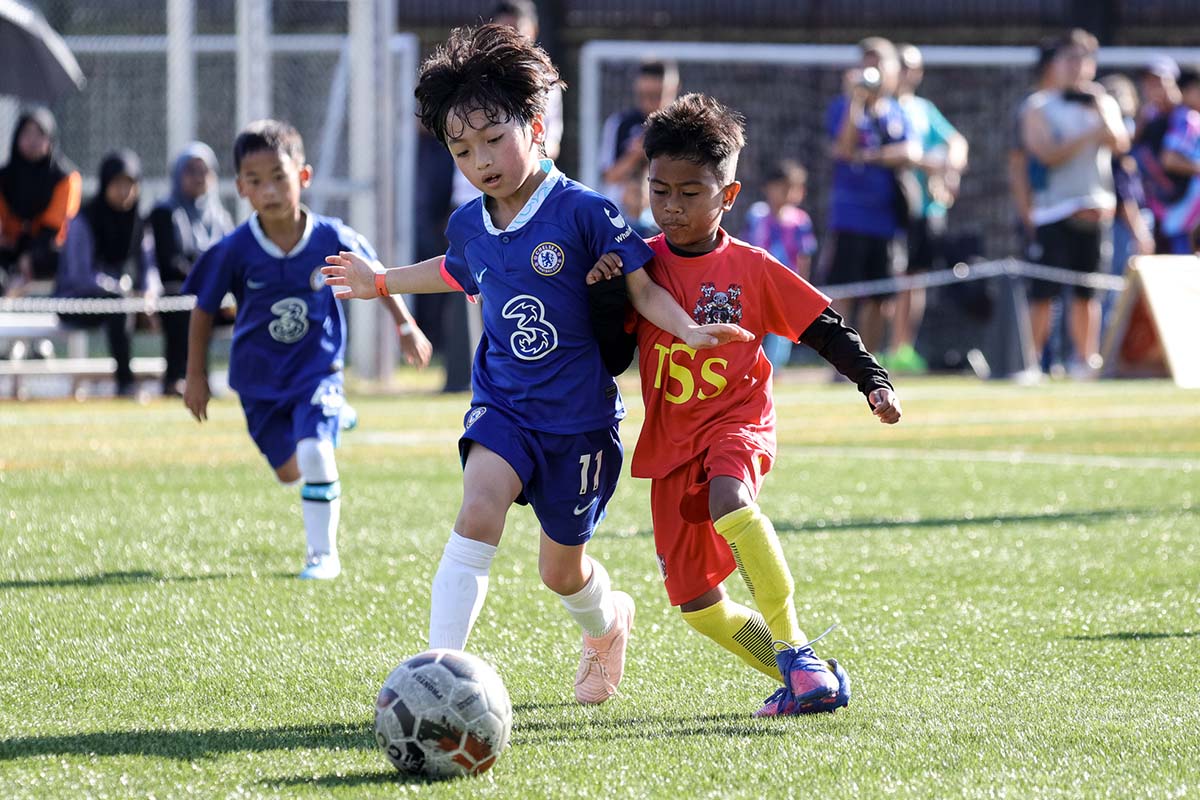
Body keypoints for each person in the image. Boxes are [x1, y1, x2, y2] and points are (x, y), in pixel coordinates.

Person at [321, 25, 749, 703]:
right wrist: (382, 282)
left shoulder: (584, 211)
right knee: (478, 509)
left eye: (493, 140)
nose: (480, 160)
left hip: (577, 425)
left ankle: (608, 625)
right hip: (503, 407)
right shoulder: (470, 222)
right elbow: (456, 270)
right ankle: (436, 673)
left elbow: (641, 287)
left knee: (560, 571)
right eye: (462, 150)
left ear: (537, 127)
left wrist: (689, 329)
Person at [586, 93, 901, 716]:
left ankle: (797, 654)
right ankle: (804, 671)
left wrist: (873, 381)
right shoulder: (640, 269)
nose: (672, 207)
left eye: (691, 192)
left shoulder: (751, 269)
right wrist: (602, 296)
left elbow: (822, 325)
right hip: (671, 447)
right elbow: (612, 359)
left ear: (727, 196)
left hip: (737, 423)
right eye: (660, 191)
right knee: (699, 608)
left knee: (732, 497)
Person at [183, 119, 432, 580]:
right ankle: (335, 418)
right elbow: (202, 309)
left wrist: (406, 325)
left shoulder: (331, 238)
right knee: (289, 470)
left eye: (279, 177)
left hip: (317, 371)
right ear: (240, 188)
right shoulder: (235, 250)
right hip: (258, 382)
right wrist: (195, 375)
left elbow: (376, 276)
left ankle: (322, 556)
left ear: (303, 176)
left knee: (316, 453)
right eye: (256, 181)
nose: (269, 190)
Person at [1020, 29, 1129, 379]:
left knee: (1089, 292)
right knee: (1044, 293)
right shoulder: (1038, 105)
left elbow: (1119, 143)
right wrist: (1088, 133)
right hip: (1054, 210)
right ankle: (1032, 362)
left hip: (1096, 209)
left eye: (1083, 59)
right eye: (1069, 59)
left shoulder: (1102, 102)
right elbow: (1046, 152)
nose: (1076, 66)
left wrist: (1100, 109)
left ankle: (1086, 361)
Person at [819, 37, 920, 354]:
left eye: (879, 64)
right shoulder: (843, 107)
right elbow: (845, 149)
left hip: (886, 219)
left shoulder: (897, 111)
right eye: (866, 63)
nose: (871, 70)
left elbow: (911, 151)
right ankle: (840, 360)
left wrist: (871, 156)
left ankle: (869, 359)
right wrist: (855, 100)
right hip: (850, 217)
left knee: (882, 297)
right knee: (844, 291)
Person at [887, 43, 969, 374]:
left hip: (926, 211)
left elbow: (957, 142)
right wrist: (930, 162)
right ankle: (882, 346)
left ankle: (903, 347)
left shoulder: (923, 108)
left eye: (914, 66)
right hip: (894, 207)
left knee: (914, 279)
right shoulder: (884, 108)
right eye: (903, 65)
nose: (909, 72)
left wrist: (948, 170)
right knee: (891, 279)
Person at [54, 150, 149, 397]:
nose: (124, 191)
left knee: (173, 302)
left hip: (121, 301)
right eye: (117, 184)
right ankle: (125, 383)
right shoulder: (84, 220)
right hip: (76, 302)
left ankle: (178, 379)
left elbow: (149, 265)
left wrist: (149, 294)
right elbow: (80, 276)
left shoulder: (138, 222)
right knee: (118, 306)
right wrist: (121, 290)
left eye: (130, 184)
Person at [146, 142, 234, 396]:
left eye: (204, 171)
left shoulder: (219, 216)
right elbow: (170, 264)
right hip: (179, 295)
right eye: (191, 171)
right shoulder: (165, 212)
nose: (198, 178)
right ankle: (177, 378)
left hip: (218, 296)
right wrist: (210, 282)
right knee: (185, 302)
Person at [739, 159, 817, 368]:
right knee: (752, 326)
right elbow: (745, 247)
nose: (786, 194)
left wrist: (802, 288)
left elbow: (804, 256)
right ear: (767, 188)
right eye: (781, 188)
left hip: (785, 288)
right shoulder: (757, 216)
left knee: (781, 332)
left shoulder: (800, 221)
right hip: (756, 285)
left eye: (792, 188)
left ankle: (774, 368)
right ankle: (749, 366)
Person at [0, 108, 81, 296]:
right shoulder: (4, 177)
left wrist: (30, 256)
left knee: (60, 259)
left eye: (39, 134)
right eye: (27, 133)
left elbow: (56, 225)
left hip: (47, 250)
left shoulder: (66, 178)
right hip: (10, 247)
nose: (33, 140)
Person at [1135, 66, 1200, 255]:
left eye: (1159, 83)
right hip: (1162, 210)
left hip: (1187, 214)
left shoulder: (1185, 117)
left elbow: (1170, 159)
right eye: (1148, 84)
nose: (1154, 89)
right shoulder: (1150, 117)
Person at [598, 59, 679, 205]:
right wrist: (635, 155)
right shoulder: (620, 123)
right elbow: (609, 177)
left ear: (673, 89)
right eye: (644, 95)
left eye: (657, 95)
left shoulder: (682, 128)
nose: (649, 103)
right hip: (623, 213)